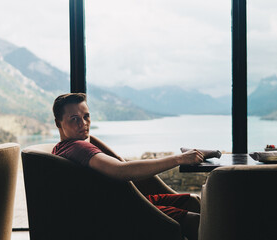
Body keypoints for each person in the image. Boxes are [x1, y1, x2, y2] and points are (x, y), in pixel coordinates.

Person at [51, 93, 204, 240]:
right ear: (58, 123)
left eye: (86, 116)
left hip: (122, 203)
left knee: (193, 201)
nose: (83, 123)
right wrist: (179, 159)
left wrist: (89, 137)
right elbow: (121, 170)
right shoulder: (78, 147)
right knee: (195, 220)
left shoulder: (63, 147)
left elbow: (118, 160)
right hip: (121, 212)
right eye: (74, 119)